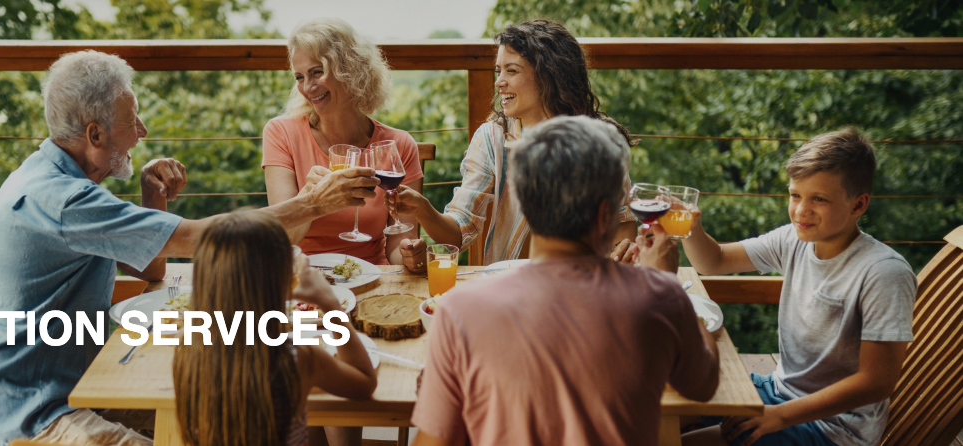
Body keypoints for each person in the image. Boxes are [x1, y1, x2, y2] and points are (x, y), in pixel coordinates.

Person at [0, 50, 379, 446]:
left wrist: (151, 200)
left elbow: (151, 273)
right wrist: (312, 204)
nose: (141, 131)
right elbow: (198, 239)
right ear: (94, 133)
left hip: (63, 383)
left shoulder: (62, 182)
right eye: (131, 119)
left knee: (213, 415)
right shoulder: (65, 200)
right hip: (28, 414)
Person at [411, 116, 720, 446]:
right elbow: (703, 384)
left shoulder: (460, 310)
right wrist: (665, 284)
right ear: (606, 215)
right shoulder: (658, 297)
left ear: (527, 206)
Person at [681, 128, 915, 446]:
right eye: (795, 195)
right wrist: (690, 225)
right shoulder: (793, 239)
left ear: (858, 205)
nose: (801, 210)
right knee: (659, 401)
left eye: (819, 199)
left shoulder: (883, 273)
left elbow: (877, 382)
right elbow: (714, 261)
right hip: (778, 391)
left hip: (832, 429)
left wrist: (781, 416)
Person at [387, 19, 640, 270]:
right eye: (499, 70)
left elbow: (623, 220)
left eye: (512, 70)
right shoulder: (491, 139)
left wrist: (622, 247)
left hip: (582, 282)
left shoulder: (598, 140)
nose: (499, 82)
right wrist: (423, 208)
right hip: (508, 287)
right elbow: (459, 230)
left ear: (549, 75)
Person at [174, 211, 378, 446]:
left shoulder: (186, 345)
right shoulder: (297, 357)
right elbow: (364, 384)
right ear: (282, 282)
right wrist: (331, 306)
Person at [263, 17, 424, 267]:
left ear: (349, 70)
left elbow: (399, 246)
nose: (307, 87)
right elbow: (285, 239)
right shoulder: (280, 132)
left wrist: (410, 255)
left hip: (372, 277)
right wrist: (311, 199)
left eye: (317, 72)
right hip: (304, 280)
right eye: (299, 77)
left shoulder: (398, 144)